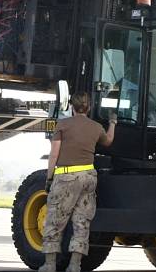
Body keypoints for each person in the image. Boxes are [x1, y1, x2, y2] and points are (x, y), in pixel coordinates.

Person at [39, 92, 116, 272]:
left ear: (72, 107)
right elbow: (109, 141)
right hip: (88, 178)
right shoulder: (96, 127)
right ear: (88, 108)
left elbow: (54, 155)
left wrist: (49, 178)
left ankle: (49, 265)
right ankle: (75, 265)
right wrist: (113, 123)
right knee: (82, 222)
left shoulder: (63, 125)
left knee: (55, 220)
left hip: (66, 178)